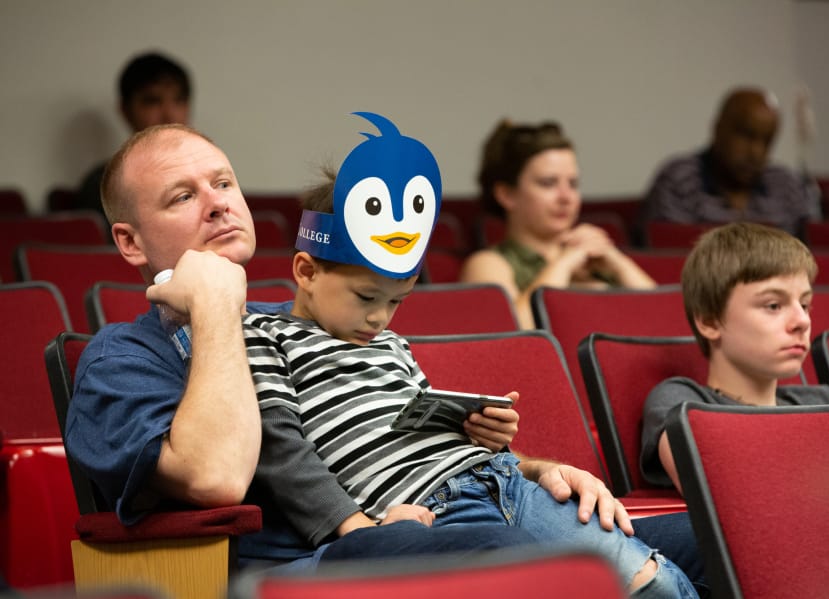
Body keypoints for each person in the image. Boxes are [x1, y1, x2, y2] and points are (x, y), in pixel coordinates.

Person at [241, 112, 699, 598]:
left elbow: (421, 427)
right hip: (430, 508)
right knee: (646, 587)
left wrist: (482, 435)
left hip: (503, 482)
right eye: (365, 298)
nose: (380, 319)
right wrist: (355, 527)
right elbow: (280, 444)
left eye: (396, 301)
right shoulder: (264, 333)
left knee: (655, 581)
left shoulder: (391, 345)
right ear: (307, 271)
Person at [63, 122, 544, 575]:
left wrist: (537, 472)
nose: (217, 205)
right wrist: (213, 304)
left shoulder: (313, 320)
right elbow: (217, 477)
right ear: (130, 242)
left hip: (392, 528)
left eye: (224, 184)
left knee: (600, 534)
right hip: (280, 570)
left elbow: (396, 438)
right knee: (513, 556)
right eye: (183, 196)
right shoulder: (119, 360)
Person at [640, 222, 829, 494]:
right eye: (773, 305)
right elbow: (719, 486)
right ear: (710, 321)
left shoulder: (822, 401)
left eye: (805, 304)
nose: (802, 320)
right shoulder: (681, 401)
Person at [459, 119, 656, 329]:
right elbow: (512, 333)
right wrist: (565, 263)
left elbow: (670, 321)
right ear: (506, 194)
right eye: (548, 183)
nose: (566, 197)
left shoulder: (596, 259)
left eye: (573, 184)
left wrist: (619, 264)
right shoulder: (487, 263)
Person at [640, 87, 820, 239]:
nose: (755, 152)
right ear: (718, 128)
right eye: (746, 136)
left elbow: (810, 257)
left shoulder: (786, 185)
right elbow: (670, 259)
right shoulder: (679, 180)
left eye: (766, 141)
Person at [74, 51, 192, 219]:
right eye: (153, 101)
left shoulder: (210, 175)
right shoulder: (105, 184)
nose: (169, 115)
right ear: (126, 110)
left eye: (179, 100)